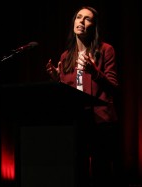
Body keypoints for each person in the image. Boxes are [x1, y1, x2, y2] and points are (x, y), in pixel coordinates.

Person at [46, 6, 120, 187]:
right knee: (77, 171)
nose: (81, 21)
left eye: (87, 19)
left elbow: (113, 87)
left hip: (100, 121)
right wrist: (58, 80)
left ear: (94, 26)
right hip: (77, 121)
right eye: (79, 17)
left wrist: (94, 72)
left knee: (101, 172)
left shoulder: (105, 50)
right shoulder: (66, 56)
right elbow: (70, 93)